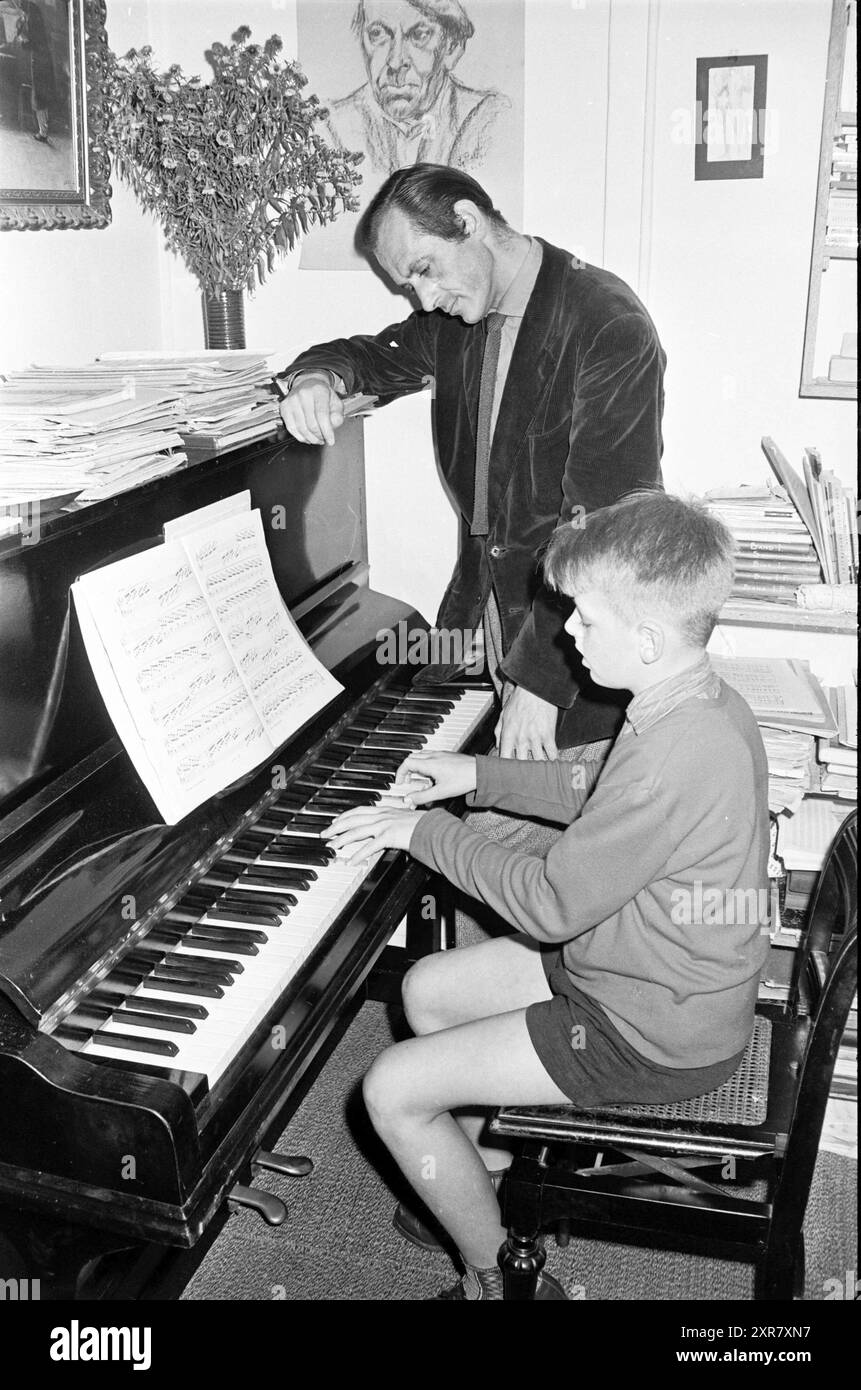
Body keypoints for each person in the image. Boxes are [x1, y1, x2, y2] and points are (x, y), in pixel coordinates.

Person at [325, 490, 771, 1300]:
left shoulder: (677, 751)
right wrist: (479, 775)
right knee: (427, 988)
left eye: (584, 619)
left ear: (643, 637)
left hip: (646, 1031)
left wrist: (417, 831)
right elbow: (591, 782)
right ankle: (484, 1181)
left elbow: (546, 905)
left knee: (388, 1089)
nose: (566, 632)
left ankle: (499, 1275)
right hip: (643, 972)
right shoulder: (693, 703)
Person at [278, 163, 667, 764]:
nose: (426, 299)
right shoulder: (457, 322)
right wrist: (315, 378)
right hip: (477, 628)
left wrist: (541, 682)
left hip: (570, 649)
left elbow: (607, 531)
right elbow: (368, 357)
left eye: (425, 270)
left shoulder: (605, 323)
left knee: (533, 839)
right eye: (412, 288)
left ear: (467, 220)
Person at [324, 0, 512, 178]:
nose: (395, 62)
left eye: (419, 35)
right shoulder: (334, 127)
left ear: (452, 48)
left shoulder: (487, 118)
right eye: (377, 34)